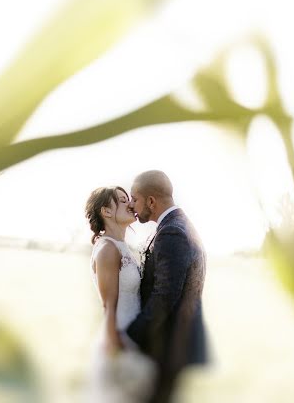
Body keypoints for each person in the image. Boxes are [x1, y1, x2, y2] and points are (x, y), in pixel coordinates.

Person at [126, 170, 208, 403]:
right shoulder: (177, 225)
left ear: (151, 201)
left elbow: (165, 295)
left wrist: (131, 335)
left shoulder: (172, 232)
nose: (132, 205)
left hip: (168, 346)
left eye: (135, 198)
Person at [85, 185, 155, 403]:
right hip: (118, 336)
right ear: (106, 211)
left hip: (132, 333)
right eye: (123, 200)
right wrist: (115, 348)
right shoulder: (107, 249)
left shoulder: (122, 246)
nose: (130, 204)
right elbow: (109, 305)